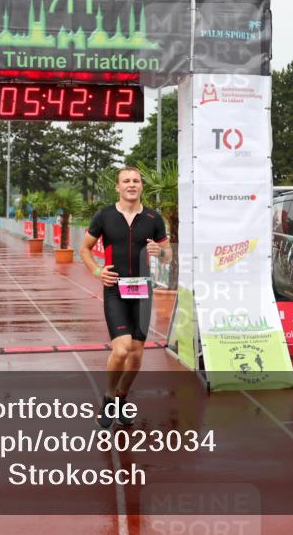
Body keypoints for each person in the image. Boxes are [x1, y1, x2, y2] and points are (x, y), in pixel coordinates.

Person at [80, 166, 171, 428]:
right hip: (115, 289)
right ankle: (109, 397)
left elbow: (168, 255)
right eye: (126, 181)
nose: (131, 184)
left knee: (137, 354)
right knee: (121, 350)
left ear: (141, 186)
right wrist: (97, 271)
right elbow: (84, 248)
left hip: (142, 290)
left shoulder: (153, 218)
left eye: (136, 181)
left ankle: (121, 397)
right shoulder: (104, 216)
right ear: (118, 187)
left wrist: (159, 252)